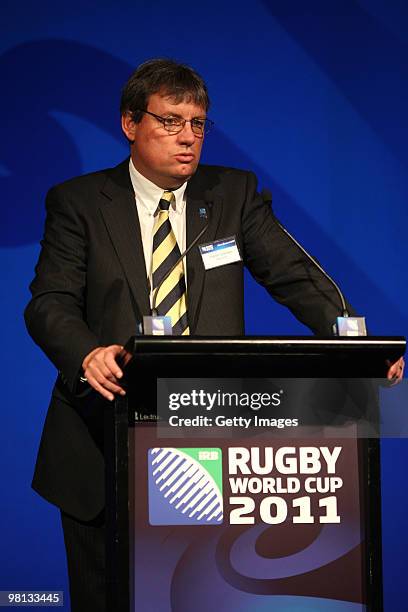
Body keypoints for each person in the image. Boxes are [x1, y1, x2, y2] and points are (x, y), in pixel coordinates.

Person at [25, 58, 404, 611]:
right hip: (102, 443)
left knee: (205, 592)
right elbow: (49, 301)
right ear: (131, 124)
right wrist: (86, 353)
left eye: (198, 124)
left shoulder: (231, 195)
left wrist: (353, 342)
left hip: (214, 439)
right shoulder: (79, 203)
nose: (187, 138)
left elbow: (295, 275)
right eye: (170, 121)